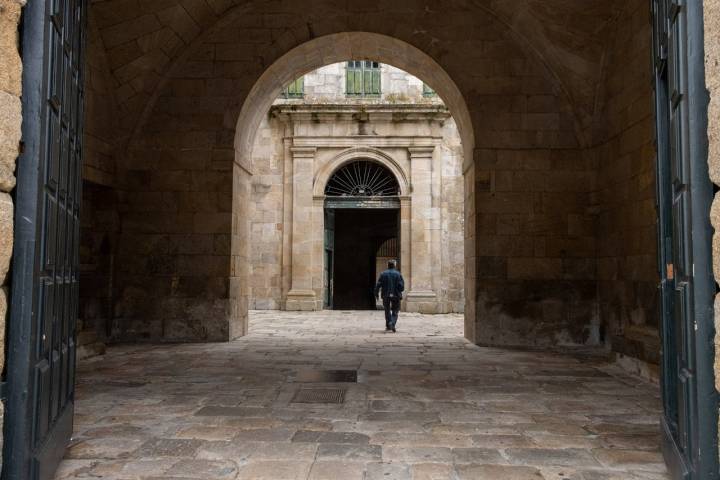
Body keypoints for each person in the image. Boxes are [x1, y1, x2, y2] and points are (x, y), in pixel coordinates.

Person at [374, 260, 405, 333]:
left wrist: (376, 294)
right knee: (395, 310)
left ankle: (388, 325)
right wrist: (399, 290)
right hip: (396, 295)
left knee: (387, 310)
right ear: (394, 266)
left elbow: (378, 285)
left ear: (388, 265)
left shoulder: (383, 274)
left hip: (386, 295)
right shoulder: (398, 274)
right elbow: (402, 287)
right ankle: (392, 323)